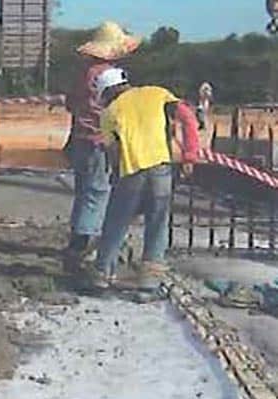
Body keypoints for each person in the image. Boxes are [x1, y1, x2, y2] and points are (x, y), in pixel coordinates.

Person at [89, 68, 200, 290]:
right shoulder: (157, 93)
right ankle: (149, 284)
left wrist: (116, 176)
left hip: (131, 172)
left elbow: (114, 152)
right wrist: (190, 155)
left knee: (116, 222)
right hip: (161, 170)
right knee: (157, 224)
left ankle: (102, 274)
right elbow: (188, 118)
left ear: (108, 91)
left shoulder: (109, 113)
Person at [63, 22, 141, 271]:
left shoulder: (82, 74)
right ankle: (82, 248)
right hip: (100, 141)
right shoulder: (111, 76)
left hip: (80, 139)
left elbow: (70, 104)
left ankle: (78, 243)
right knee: (97, 194)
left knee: (85, 194)